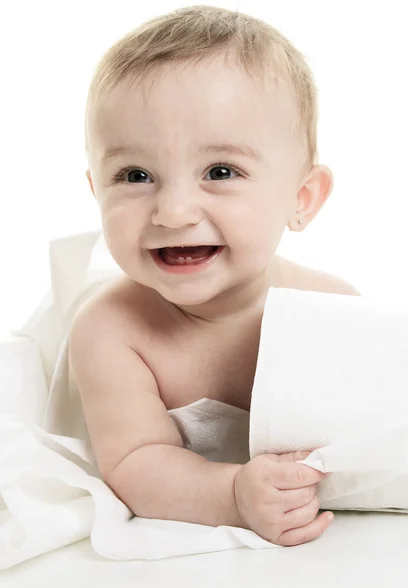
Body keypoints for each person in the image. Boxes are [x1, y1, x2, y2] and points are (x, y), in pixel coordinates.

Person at [69, 5, 360, 547]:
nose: (174, 211)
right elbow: (135, 463)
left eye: (220, 172)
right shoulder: (112, 330)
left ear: (301, 199)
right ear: (96, 193)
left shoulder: (334, 310)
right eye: (135, 175)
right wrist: (231, 495)